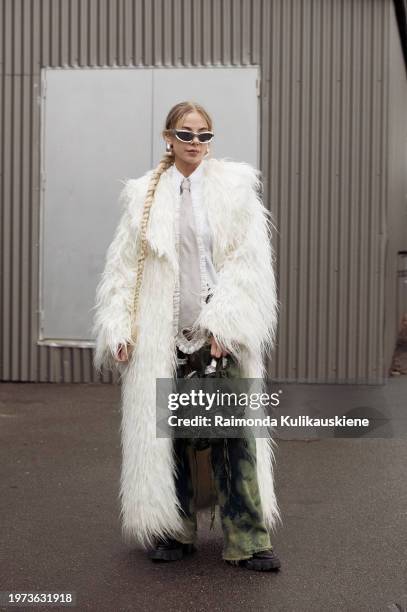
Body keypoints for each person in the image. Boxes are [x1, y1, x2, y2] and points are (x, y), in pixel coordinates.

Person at [92, 101, 281, 571]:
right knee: (171, 436)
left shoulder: (235, 191)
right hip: (163, 335)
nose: (196, 143)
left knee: (234, 437)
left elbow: (249, 263)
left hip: (220, 333)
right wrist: (119, 325)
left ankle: (248, 540)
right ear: (168, 137)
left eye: (204, 135)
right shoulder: (143, 196)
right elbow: (123, 269)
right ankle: (174, 532)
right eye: (187, 134)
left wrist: (226, 324)